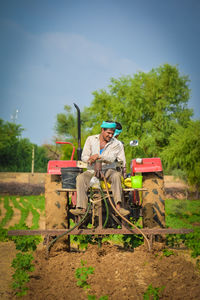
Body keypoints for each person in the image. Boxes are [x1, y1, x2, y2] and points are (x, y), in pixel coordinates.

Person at [70, 121, 130, 216]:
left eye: (112, 133)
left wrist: (99, 157)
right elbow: (84, 156)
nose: (110, 136)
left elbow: (111, 158)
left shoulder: (117, 144)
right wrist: (90, 159)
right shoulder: (91, 139)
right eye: (108, 133)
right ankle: (81, 208)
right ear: (102, 130)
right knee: (80, 178)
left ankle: (118, 207)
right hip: (92, 170)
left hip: (108, 170)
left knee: (116, 176)